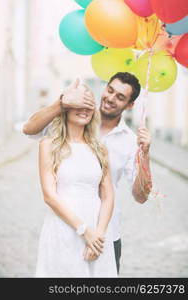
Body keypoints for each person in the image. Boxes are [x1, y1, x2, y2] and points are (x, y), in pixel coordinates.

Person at [23, 72, 152, 274]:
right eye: (110, 90)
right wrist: (62, 102)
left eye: (120, 97)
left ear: (129, 106)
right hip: (66, 228)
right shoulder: (54, 137)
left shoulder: (124, 142)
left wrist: (144, 154)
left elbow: (141, 196)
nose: (110, 98)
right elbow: (28, 128)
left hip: (106, 233)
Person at [35, 83, 117, 277]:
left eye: (89, 104)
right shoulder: (49, 145)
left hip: (97, 230)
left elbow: (108, 196)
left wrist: (99, 235)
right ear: (66, 107)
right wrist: (83, 230)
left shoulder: (100, 148)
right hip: (65, 227)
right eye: (79, 102)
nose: (85, 109)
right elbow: (49, 195)